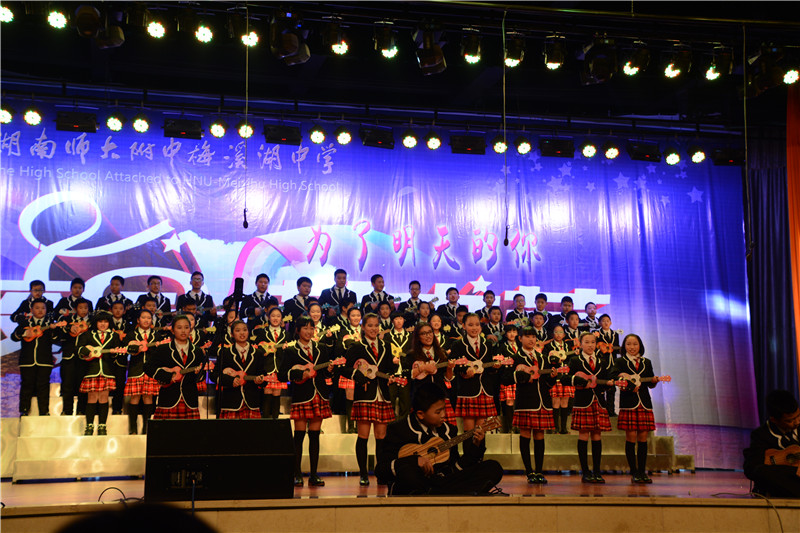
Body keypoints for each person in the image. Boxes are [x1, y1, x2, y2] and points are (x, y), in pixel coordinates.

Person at [375, 383, 504, 495]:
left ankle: (436, 492)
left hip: (443, 481)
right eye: (438, 412)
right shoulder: (398, 430)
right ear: (420, 414)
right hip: (415, 482)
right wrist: (414, 461)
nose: (444, 415)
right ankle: (454, 492)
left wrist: (476, 446)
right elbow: (381, 470)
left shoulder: (449, 431)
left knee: (493, 467)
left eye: (444, 409)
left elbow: (456, 467)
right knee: (408, 474)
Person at [279, 316, 338, 487]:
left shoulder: (321, 348)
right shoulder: (291, 350)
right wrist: (301, 374)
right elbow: (282, 375)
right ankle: (296, 474)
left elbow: (325, 374)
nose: (309, 331)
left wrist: (329, 370)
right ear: (298, 330)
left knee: (314, 436)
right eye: (305, 328)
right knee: (298, 436)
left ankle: (314, 474)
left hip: (319, 394)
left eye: (311, 328)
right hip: (301, 395)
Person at [343, 313, 400, 486]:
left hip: (383, 395)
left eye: (376, 325)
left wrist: (392, 375)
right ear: (363, 327)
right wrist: (358, 375)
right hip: (365, 396)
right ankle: (363, 473)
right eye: (370, 325)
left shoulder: (386, 346)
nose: (374, 329)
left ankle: (380, 472)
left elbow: (389, 369)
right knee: (363, 436)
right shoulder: (356, 347)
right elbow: (345, 369)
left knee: (381, 437)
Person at [506, 327, 557, 484]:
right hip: (525, 402)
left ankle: (539, 471)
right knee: (525, 435)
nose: (531, 340)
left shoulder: (543, 358)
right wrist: (520, 376)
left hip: (543, 402)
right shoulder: (515, 357)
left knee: (540, 436)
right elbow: (505, 378)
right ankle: (529, 472)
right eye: (527, 336)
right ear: (520, 338)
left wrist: (553, 377)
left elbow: (548, 383)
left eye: (533, 337)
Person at [612, 333, 659, 483]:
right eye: (628, 344)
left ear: (640, 346)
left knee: (643, 439)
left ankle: (642, 472)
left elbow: (650, 384)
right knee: (631, 438)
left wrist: (654, 381)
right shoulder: (620, 361)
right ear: (624, 346)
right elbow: (613, 377)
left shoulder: (647, 362)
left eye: (635, 344)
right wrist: (622, 375)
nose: (632, 347)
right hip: (628, 403)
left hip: (644, 403)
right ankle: (634, 472)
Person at [569, 332, 614, 483]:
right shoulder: (575, 360)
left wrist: (608, 384)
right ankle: (585, 472)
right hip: (583, 401)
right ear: (580, 344)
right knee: (583, 435)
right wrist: (579, 381)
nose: (590, 345)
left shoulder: (602, 361)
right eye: (586, 342)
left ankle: (597, 471)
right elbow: (566, 379)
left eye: (593, 342)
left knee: (597, 436)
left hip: (599, 401)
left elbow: (606, 380)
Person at [145, 315, 206, 420]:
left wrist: (198, 374)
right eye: (179, 327)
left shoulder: (197, 351)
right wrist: (168, 376)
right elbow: (147, 367)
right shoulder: (164, 349)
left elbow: (201, 376)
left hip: (190, 400)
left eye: (186, 327)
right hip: (168, 399)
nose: (183, 331)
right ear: (172, 330)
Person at [76, 311, 125, 435]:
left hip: (107, 371)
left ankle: (102, 426)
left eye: (106, 321)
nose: (103, 324)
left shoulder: (114, 336)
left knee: (104, 398)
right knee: (92, 398)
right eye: (100, 321)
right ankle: (89, 426)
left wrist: (115, 353)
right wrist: (89, 351)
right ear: (95, 322)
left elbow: (117, 354)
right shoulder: (87, 334)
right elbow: (79, 349)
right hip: (91, 370)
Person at [743, 390, 800, 497]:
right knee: (764, 473)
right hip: (782, 483)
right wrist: (793, 471)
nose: (797, 422)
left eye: (798, 416)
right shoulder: (761, 435)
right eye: (790, 420)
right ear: (774, 420)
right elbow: (751, 468)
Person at [452, 313, 501, 434]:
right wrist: (465, 371)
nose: (474, 328)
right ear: (464, 326)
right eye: (470, 325)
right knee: (468, 432)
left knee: (481, 432)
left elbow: (488, 367)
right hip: (467, 390)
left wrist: (495, 367)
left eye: (477, 325)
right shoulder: (458, 344)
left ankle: (480, 447)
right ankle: (469, 447)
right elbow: (454, 365)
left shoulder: (487, 344)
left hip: (485, 389)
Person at [11, 299, 59, 416]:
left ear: (46, 310)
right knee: (26, 385)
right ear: (31, 310)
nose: (40, 310)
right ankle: (24, 410)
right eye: (37, 308)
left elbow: (57, 339)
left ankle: (44, 411)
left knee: (43, 386)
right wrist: (24, 333)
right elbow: (14, 337)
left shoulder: (50, 323)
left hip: (44, 360)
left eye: (43, 308)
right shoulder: (25, 323)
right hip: (27, 360)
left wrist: (54, 330)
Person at [123, 309, 163, 434]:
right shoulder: (131, 334)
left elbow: (160, 354)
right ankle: (132, 428)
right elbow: (126, 349)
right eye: (143, 317)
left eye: (149, 318)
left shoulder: (157, 335)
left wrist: (153, 348)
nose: (146, 320)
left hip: (151, 370)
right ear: (138, 320)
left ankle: (146, 428)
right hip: (135, 369)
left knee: (148, 398)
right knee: (135, 397)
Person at [408, 323, 456, 423]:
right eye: (423, 333)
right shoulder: (412, 355)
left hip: (440, 396)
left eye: (430, 332)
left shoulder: (442, 353)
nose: (428, 336)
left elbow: (448, 378)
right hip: (422, 398)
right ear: (418, 337)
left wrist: (449, 368)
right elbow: (408, 376)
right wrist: (423, 368)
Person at [216, 320, 265, 419]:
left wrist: (260, 381)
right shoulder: (225, 353)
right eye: (238, 330)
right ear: (232, 334)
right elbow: (214, 375)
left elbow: (263, 375)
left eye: (245, 330)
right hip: (231, 402)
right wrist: (231, 381)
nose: (242, 333)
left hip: (252, 402)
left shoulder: (258, 353)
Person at [544, 325, 573, 434]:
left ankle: (563, 428)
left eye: (561, 332)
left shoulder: (567, 346)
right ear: (553, 334)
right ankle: (555, 427)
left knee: (565, 402)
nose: (558, 334)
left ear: (564, 335)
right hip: (555, 376)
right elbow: (546, 359)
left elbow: (571, 360)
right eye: (556, 332)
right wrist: (555, 360)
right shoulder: (548, 346)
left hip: (565, 376)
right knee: (555, 402)